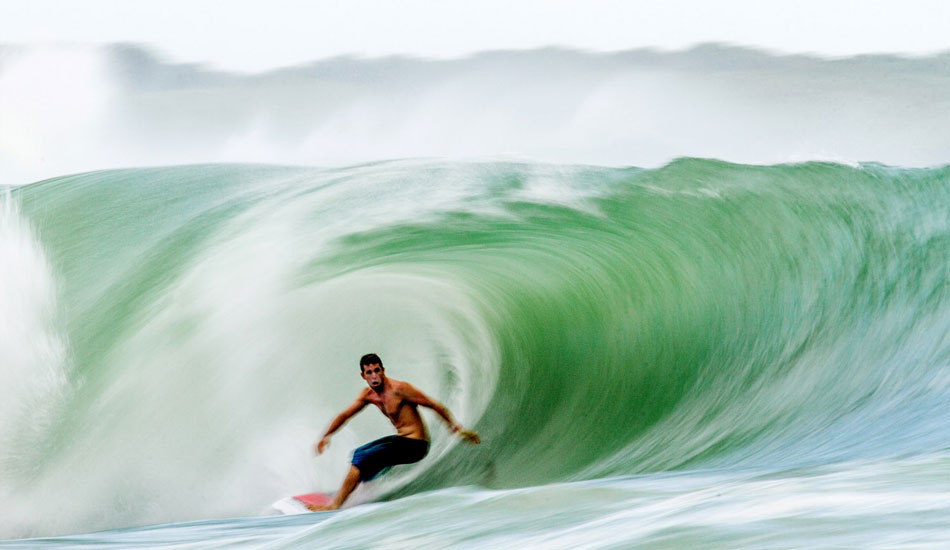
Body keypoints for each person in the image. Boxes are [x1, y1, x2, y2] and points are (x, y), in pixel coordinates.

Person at [310, 353, 480, 510]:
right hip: (401, 441)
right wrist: (326, 436)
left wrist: (457, 429)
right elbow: (345, 415)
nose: (374, 376)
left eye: (377, 370)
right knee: (361, 454)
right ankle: (363, 489)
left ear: (383, 370)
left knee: (361, 457)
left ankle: (335, 504)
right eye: (369, 372)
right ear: (363, 375)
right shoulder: (368, 395)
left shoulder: (400, 389)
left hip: (416, 444)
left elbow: (434, 405)